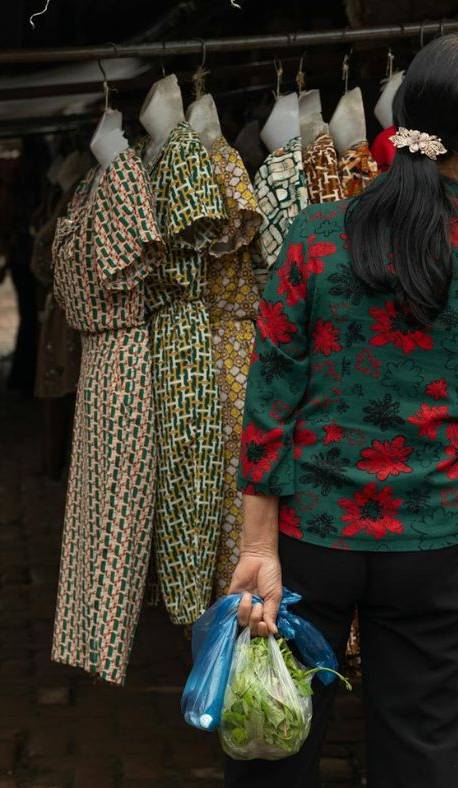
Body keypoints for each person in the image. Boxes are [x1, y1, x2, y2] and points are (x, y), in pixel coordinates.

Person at [227, 35, 458, 787]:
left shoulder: (317, 237)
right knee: (420, 743)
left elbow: (270, 400)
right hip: (433, 543)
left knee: (276, 733)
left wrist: (257, 548)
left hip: (310, 537)